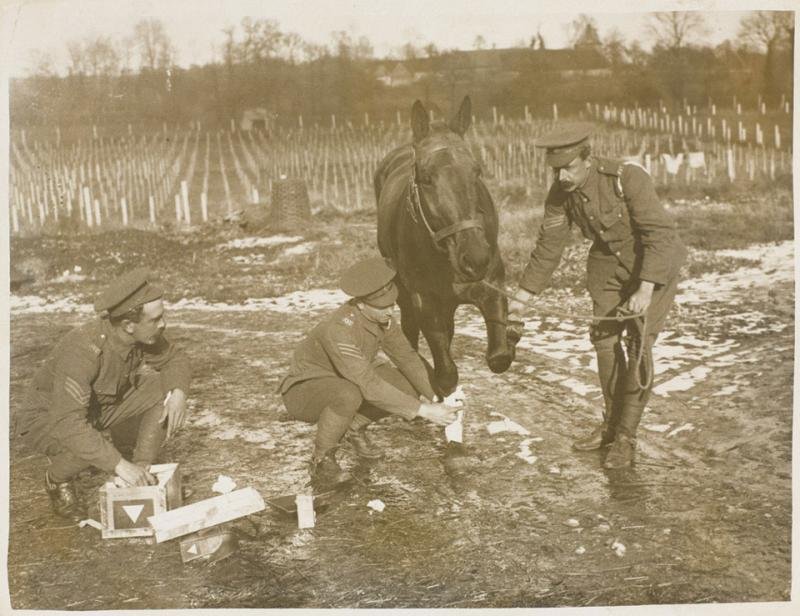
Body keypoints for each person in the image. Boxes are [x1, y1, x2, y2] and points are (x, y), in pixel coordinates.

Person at [510, 126, 687, 469]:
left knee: (638, 346)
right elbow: (549, 247)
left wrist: (646, 287)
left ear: (587, 159)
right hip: (607, 266)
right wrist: (522, 297)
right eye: (555, 169)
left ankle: (625, 437)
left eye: (568, 168)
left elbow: (660, 235)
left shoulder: (627, 177)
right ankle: (609, 426)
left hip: (652, 262)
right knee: (604, 342)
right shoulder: (559, 194)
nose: (561, 176)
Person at [15, 268, 191, 521]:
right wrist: (118, 464)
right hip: (49, 419)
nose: (163, 324)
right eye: (155, 320)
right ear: (129, 325)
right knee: (92, 447)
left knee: (161, 387)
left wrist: (178, 393)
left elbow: (175, 359)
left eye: (162, 316)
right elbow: (68, 423)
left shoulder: (142, 335)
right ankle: (57, 478)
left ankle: (142, 471)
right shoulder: (83, 349)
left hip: (95, 409)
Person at [279, 256, 457, 488]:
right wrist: (424, 411)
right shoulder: (338, 330)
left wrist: (439, 398)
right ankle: (322, 461)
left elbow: (408, 358)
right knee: (349, 393)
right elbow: (368, 384)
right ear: (360, 304)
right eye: (383, 307)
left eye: (393, 304)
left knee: (405, 384)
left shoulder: (383, 320)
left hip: (348, 379)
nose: (390, 312)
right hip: (305, 391)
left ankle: (354, 427)